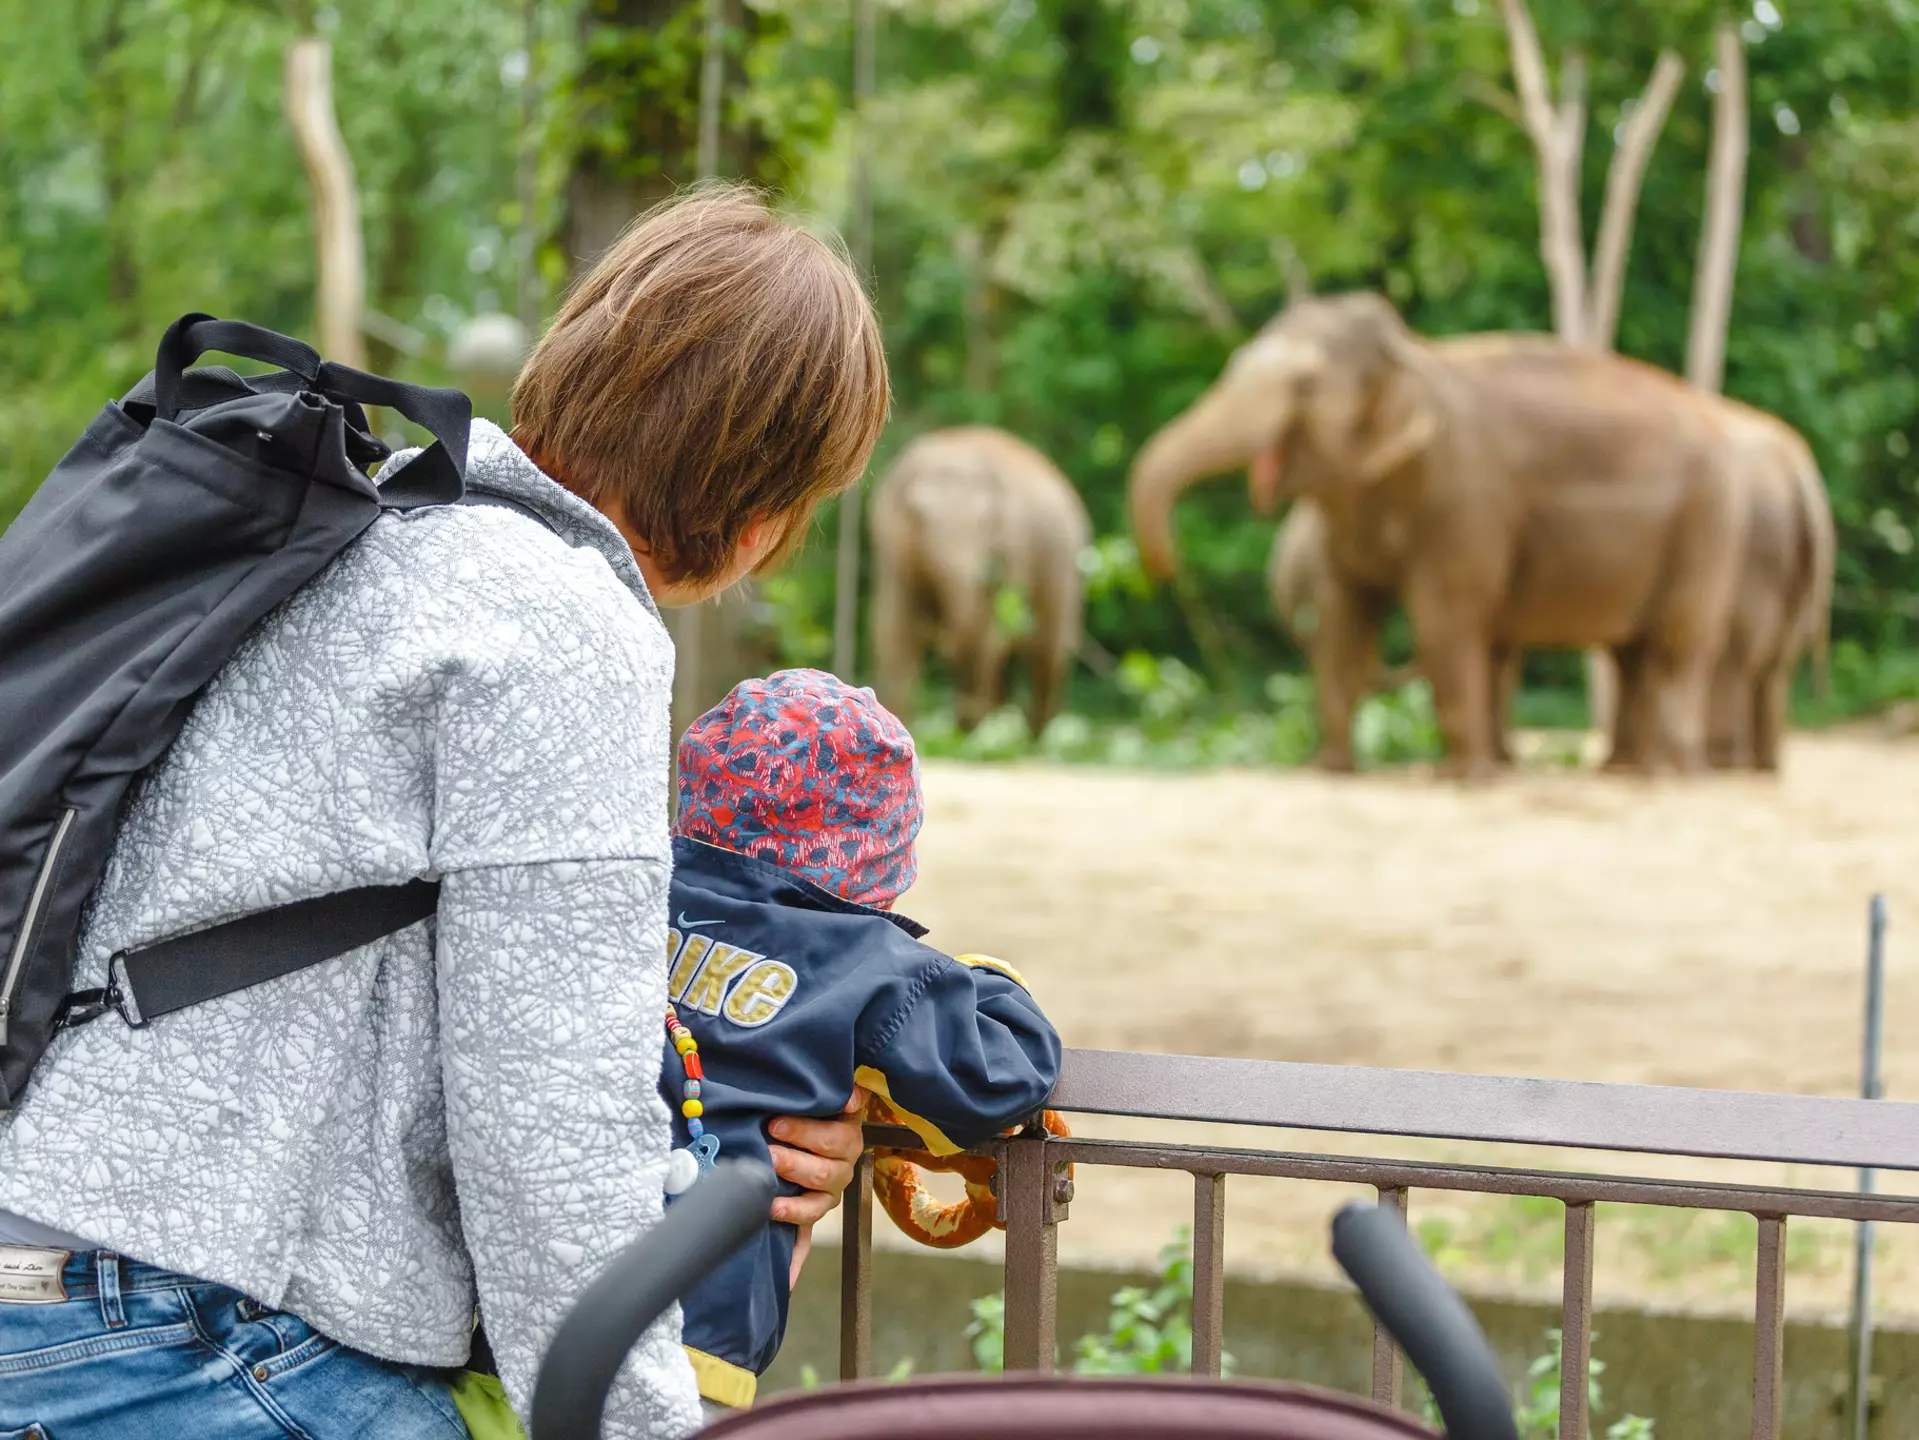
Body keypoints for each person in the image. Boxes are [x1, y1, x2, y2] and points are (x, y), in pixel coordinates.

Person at [0, 184, 885, 1440]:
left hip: (53, 1268)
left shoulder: (363, 534)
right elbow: (549, 1129)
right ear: (762, 515)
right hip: (182, 1332)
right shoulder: (558, 632)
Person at [663, 669, 1061, 1419]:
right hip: (694, 1342)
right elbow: (999, 1078)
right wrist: (974, 978)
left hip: (534, 1302)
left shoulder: (625, 900)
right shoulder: (865, 967)